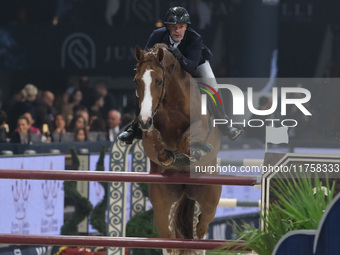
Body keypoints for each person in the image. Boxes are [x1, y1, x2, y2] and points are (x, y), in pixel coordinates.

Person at [118, 6, 243, 144]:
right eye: (173, 27)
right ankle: (134, 127)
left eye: (181, 26)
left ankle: (224, 123)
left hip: (195, 63)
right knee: (145, 86)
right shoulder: (157, 35)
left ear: (186, 27)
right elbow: (148, 57)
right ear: (167, 27)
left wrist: (179, 56)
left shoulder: (195, 38)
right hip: (166, 67)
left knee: (211, 84)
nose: (177, 30)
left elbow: (191, 66)